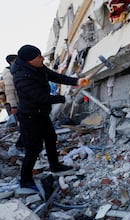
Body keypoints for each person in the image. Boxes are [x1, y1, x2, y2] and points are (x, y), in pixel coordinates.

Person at [11, 44, 88, 188]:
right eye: (38, 57)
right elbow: (39, 97)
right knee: (33, 148)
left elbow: (55, 76)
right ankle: (25, 180)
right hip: (29, 116)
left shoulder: (38, 67)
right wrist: (63, 99)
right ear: (29, 61)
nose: (42, 58)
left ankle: (55, 166)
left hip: (41, 113)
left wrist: (76, 82)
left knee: (51, 138)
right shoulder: (21, 76)